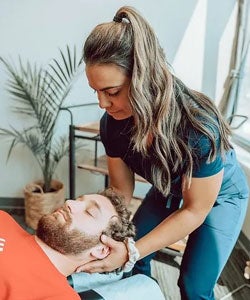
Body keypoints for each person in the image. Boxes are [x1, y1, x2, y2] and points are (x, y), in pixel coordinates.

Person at [79, 6, 249, 299]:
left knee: (194, 286)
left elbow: (195, 209)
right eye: (96, 91)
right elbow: (120, 189)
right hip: (167, 188)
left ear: (144, 76)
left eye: (112, 91)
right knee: (133, 265)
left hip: (220, 198)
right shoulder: (113, 125)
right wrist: (92, 225)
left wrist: (129, 250)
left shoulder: (199, 127)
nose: (102, 103)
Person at [0, 188, 135, 300]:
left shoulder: (60, 296)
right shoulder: (3, 219)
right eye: (77, 200)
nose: (69, 202)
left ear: (101, 250)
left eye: (89, 212)